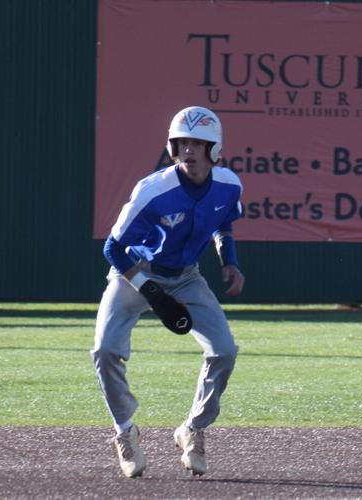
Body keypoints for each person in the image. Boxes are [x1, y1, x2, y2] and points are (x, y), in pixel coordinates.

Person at [91, 106, 245, 477]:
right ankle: (125, 432)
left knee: (224, 351)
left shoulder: (229, 185)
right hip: (136, 273)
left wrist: (230, 260)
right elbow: (112, 248)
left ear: (214, 148)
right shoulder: (153, 190)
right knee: (105, 350)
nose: (189, 149)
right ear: (172, 147)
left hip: (187, 276)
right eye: (182, 142)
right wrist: (147, 288)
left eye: (198, 143)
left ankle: (193, 429)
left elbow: (223, 224)